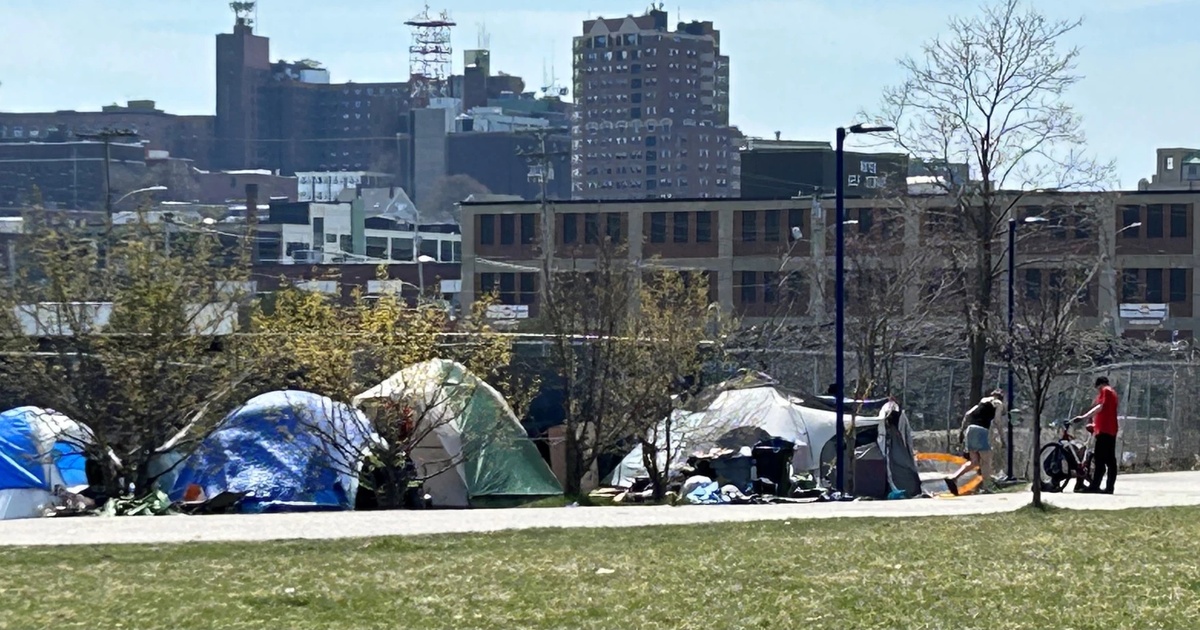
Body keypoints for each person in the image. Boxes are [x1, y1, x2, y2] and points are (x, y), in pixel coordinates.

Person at [1073, 376, 1119, 494]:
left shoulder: (1106, 391)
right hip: (1109, 430)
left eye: (1098, 388)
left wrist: (1084, 417)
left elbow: (1100, 407)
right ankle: (1108, 487)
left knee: (1100, 459)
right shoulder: (1112, 393)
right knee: (1109, 460)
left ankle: (1096, 485)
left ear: (1100, 385)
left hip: (1105, 431)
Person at [958, 389, 1005, 493]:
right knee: (986, 460)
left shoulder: (982, 401)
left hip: (970, 429)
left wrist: (961, 431)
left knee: (974, 462)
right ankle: (986, 487)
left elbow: (967, 414)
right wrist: (1002, 438)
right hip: (981, 430)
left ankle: (953, 478)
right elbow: (997, 420)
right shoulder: (998, 403)